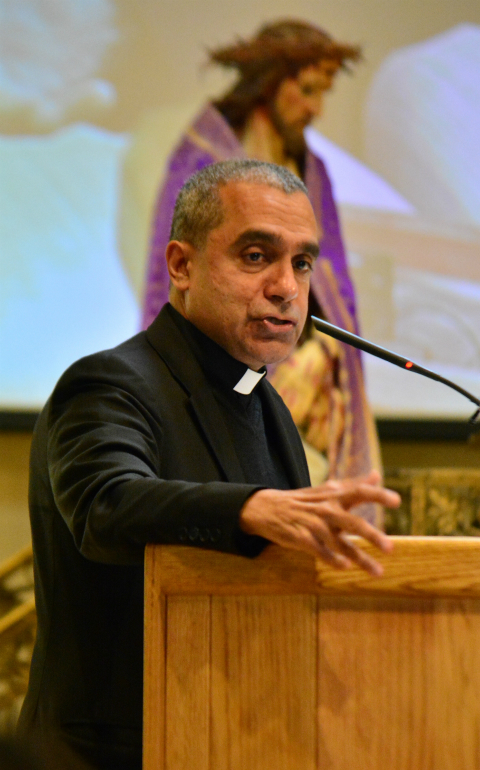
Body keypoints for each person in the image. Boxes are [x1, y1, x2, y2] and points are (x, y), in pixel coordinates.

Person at [18, 160, 400, 770]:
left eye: (302, 263)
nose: (287, 287)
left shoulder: (264, 402)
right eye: (256, 256)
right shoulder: (109, 383)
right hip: (112, 751)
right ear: (181, 264)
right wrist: (249, 510)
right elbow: (107, 505)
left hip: (238, 737)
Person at [142, 19, 382, 521]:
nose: (316, 108)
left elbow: (335, 287)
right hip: (220, 370)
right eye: (308, 90)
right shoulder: (203, 159)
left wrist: (325, 354)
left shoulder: (311, 167)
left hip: (305, 367)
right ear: (271, 82)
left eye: (299, 262)